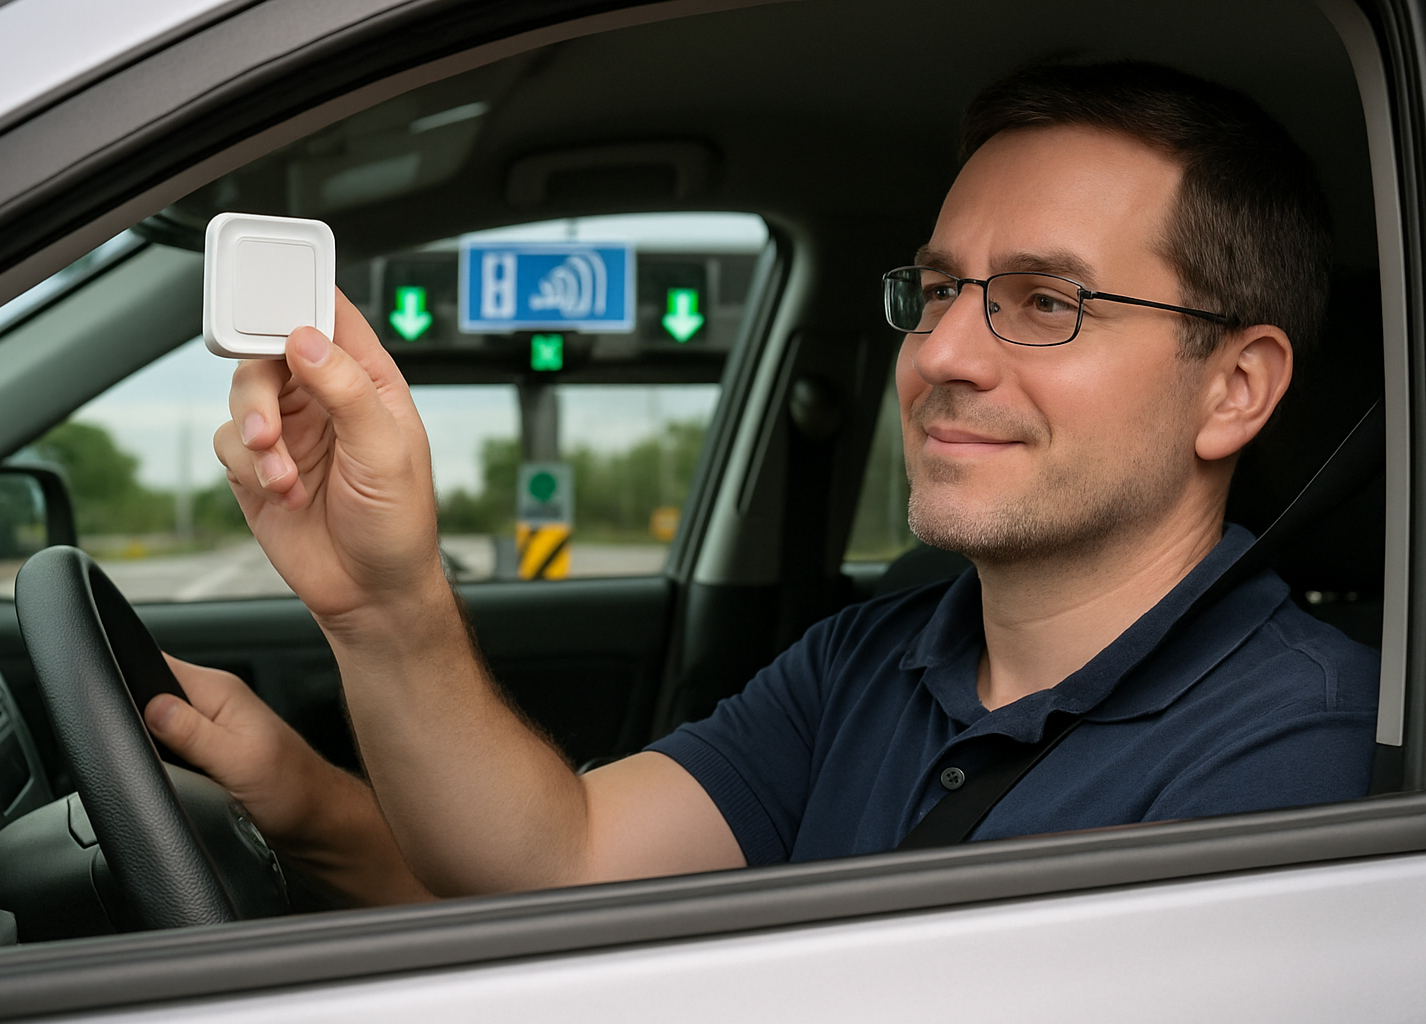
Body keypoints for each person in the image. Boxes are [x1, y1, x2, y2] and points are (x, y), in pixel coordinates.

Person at [143, 62, 1379, 904]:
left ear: (1236, 388)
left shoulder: (1297, 758)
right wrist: (385, 600)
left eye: (1044, 302)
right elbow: (556, 860)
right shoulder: (873, 658)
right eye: (937, 290)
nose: (940, 352)